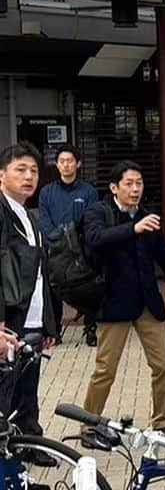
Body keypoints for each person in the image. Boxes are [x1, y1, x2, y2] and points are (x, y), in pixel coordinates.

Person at [82, 160, 165, 438]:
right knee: (106, 370)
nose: (135, 189)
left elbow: (162, 253)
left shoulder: (146, 215)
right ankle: (89, 425)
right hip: (114, 303)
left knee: (163, 364)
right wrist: (133, 229)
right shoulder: (99, 212)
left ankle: (162, 423)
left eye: (139, 183)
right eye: (128, 183)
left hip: (148, 303)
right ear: (114, 187)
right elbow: (94, 240)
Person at [0, 143, 56, 433]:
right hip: (8, 320)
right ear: (1, 175)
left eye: (33, 170)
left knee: (27, 389)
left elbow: (41, 275)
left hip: (31, 318)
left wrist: (48, 324)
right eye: (20, 169)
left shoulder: (30, 216)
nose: (29, 176)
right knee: (4, 393)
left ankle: (30, 442)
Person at [36, 143, 99, 345]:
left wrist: (76, 238)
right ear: (57, 164)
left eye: (70, 161)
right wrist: (58, 239)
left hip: (80, 248)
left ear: (78, 164)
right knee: (53, 290)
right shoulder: (46, 192)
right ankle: (53, 331)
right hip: (54, 249)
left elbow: (90, 219)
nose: (66, 165)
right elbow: (44, 220)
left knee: (88, 288)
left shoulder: (88, 191)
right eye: (62, 161)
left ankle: (90, 328)